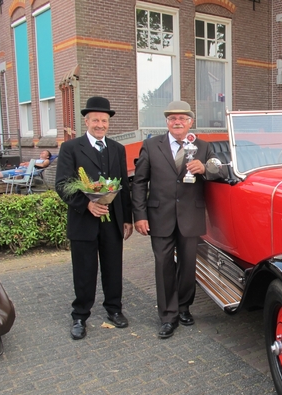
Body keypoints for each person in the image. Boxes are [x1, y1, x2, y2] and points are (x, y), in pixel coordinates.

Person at [132, 100, 220, 339]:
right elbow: (139, 183)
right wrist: (139, 215)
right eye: (172, 118)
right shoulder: (151, 146)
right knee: (163, 266)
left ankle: (183, 307)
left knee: (188, 265)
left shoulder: (202, 147)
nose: (177, 122)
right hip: (159, 216)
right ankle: (168, 316)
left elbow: (220, 171)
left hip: (190, 215)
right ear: (167, 123)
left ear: (190, 122)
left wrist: (206, 169)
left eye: (182, 118)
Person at [55, 97, 133, 340]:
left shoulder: (117, 149)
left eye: (104, 120)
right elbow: (63, 185)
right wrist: (86, 204)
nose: (100, 124)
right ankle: (80, 315)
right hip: (83, 221)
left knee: (113, 267)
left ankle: (114, 309)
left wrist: (127, 218)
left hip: (112, 221)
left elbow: (124, 186)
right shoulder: (70, 148)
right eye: (95, 120)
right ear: (86, 121)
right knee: (84, 270)